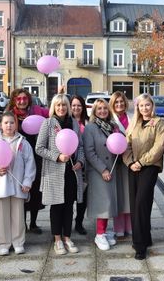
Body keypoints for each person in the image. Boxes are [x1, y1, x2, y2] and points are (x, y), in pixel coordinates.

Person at [35, 94, 85, 255]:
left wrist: (81, 162)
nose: (61, 108)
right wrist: (57, 157)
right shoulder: (48, 123)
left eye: (64, 105)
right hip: (55, 171)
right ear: (54, 107)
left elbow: (81, 147)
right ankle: (57, 239)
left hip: (72, 172)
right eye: (58, 105)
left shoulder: (74, 123)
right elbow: (39, 148)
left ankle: (67, 237)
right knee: (56, 206)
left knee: (69, 206)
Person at [0, 112, 36, 256]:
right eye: (6, 123)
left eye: (12, 122)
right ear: (1, 125)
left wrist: (27, 181)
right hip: (1, 185)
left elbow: (30, 163)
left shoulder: (23, 142)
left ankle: (18, 242)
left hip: (19, 185)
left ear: (16, 125)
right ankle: (3, 243)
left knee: (18, 216)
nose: (9, 125)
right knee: (1, 216)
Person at [123, 93, 164, 260]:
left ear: (152, 106)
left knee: (141, 203)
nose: (144, 108)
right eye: (141, 106)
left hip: (149, 167)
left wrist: (141, 162)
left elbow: (159, 147)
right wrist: (130, 162)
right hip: (133, 167)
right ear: (138, 108)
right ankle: (145, 237)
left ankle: (140, 245)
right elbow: (125, 146)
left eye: (147, 105)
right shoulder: (134, 124)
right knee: (137, 205)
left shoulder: (159, 124)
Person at [83, 99, 125, 250]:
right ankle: (99, 235)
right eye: (99, 108)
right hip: (98, 171)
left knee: (110, 202)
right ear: (94, 111)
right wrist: (103, 169)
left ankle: (104, 231)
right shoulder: (90, 128)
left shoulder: (113, 126)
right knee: (103, 202)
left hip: (113, 168)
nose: (102, 111)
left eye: (105, 108)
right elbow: (89, 152)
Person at [6, 89, 49, 234]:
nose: (22, 101)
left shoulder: (36, 112)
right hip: (17, 156)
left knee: (35, 189)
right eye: (18, 99)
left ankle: (34, 223)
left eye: (24, 98)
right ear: (14, 100)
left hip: (36, 156)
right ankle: (22, 223)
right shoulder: (10, 114)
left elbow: (52, 114)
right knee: (21, 189)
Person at [108, 91, 132, 239]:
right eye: (116, 102)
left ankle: (130, 226)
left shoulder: (132, 118)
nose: (119, 104)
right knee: (118, 195)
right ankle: (118, 227)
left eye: (121, 101)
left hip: (129, 160)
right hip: (115, 161)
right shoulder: (110, 119)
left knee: (129, 194)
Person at [70, 95, 89, 235]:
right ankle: (66, 222)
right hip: (71, 165)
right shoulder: (67, 122)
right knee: (70, 196)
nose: (76, 108)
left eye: (79, 105)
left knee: (83, 196)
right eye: (73, 105)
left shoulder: (88, 123)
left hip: (86, 165)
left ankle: (79, 222)